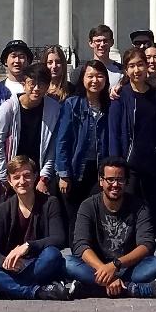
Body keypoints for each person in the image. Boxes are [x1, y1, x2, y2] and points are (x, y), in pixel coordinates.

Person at [0, 155, 73, 301]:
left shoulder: (50, 203)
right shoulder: (3, 209)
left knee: (53, 255)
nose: (22, 181)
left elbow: (59, 238)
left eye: (26, 176)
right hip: (11, 267)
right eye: (16, 177)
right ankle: (35, 291)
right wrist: (3, 262)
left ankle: (5, 289)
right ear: (10, 181)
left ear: (35, 177)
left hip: (38, 263)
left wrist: (28, 246)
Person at [64, 157, 156, 298]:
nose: (115, 184)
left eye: (120, 180)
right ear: (101, 181)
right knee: (68, 262)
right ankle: (131, 288)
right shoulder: (88, 205)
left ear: (126, 182)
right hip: (96, 267)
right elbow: (80, 245)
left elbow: (147, 245)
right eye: (110, 179)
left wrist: (115, 265)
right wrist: (105, 270)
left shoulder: (140, 207)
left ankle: (93, 289)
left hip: (127, 266)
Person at [107, 48, 156, 223]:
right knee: (128, 212)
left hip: (152, 162)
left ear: (147, 67)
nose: (136, 70)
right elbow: (114, 131)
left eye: (140, 65)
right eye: (131, 66)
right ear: (126, 70)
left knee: (152, 213)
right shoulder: (121, 95)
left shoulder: (155, 94)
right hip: (129, 164)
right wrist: (116, 163)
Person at [0, 62, 61, 192]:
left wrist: (44, 177)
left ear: (47, 87)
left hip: (38, 174)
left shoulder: (53, 108)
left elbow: (52, 146)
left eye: (41, 84)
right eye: (32, 83)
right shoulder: (9, 107)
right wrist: (4, 176)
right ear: (24, 84)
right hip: (13, 175)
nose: (36, 88)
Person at [55, 59, 110, 220]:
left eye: (99, 76)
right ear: (82, 79)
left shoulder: (110, 105)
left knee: (95, 214)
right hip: (77, 166)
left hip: (100, 168)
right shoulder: (72, 104)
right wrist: (63, 174)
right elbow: (62, 141)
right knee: (76, 216)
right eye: (90, 76)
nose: (95, 80)